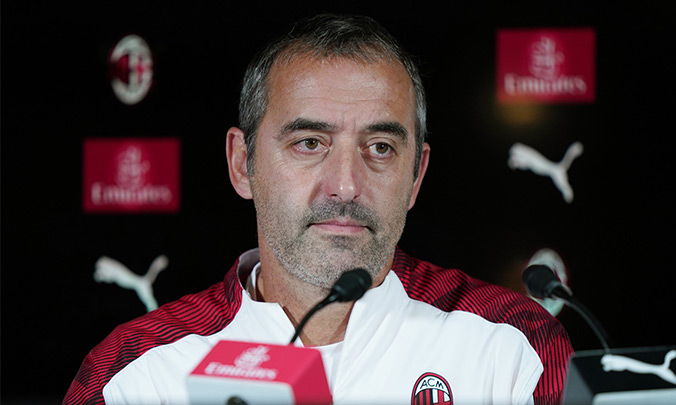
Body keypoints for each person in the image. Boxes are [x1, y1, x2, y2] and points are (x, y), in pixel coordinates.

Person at [65, 14, 573, 404]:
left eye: (380, 147)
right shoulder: (136, 372)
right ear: (242, 164)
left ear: (416, 176)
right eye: (309, 143)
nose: (346, 185)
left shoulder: (514, 346)